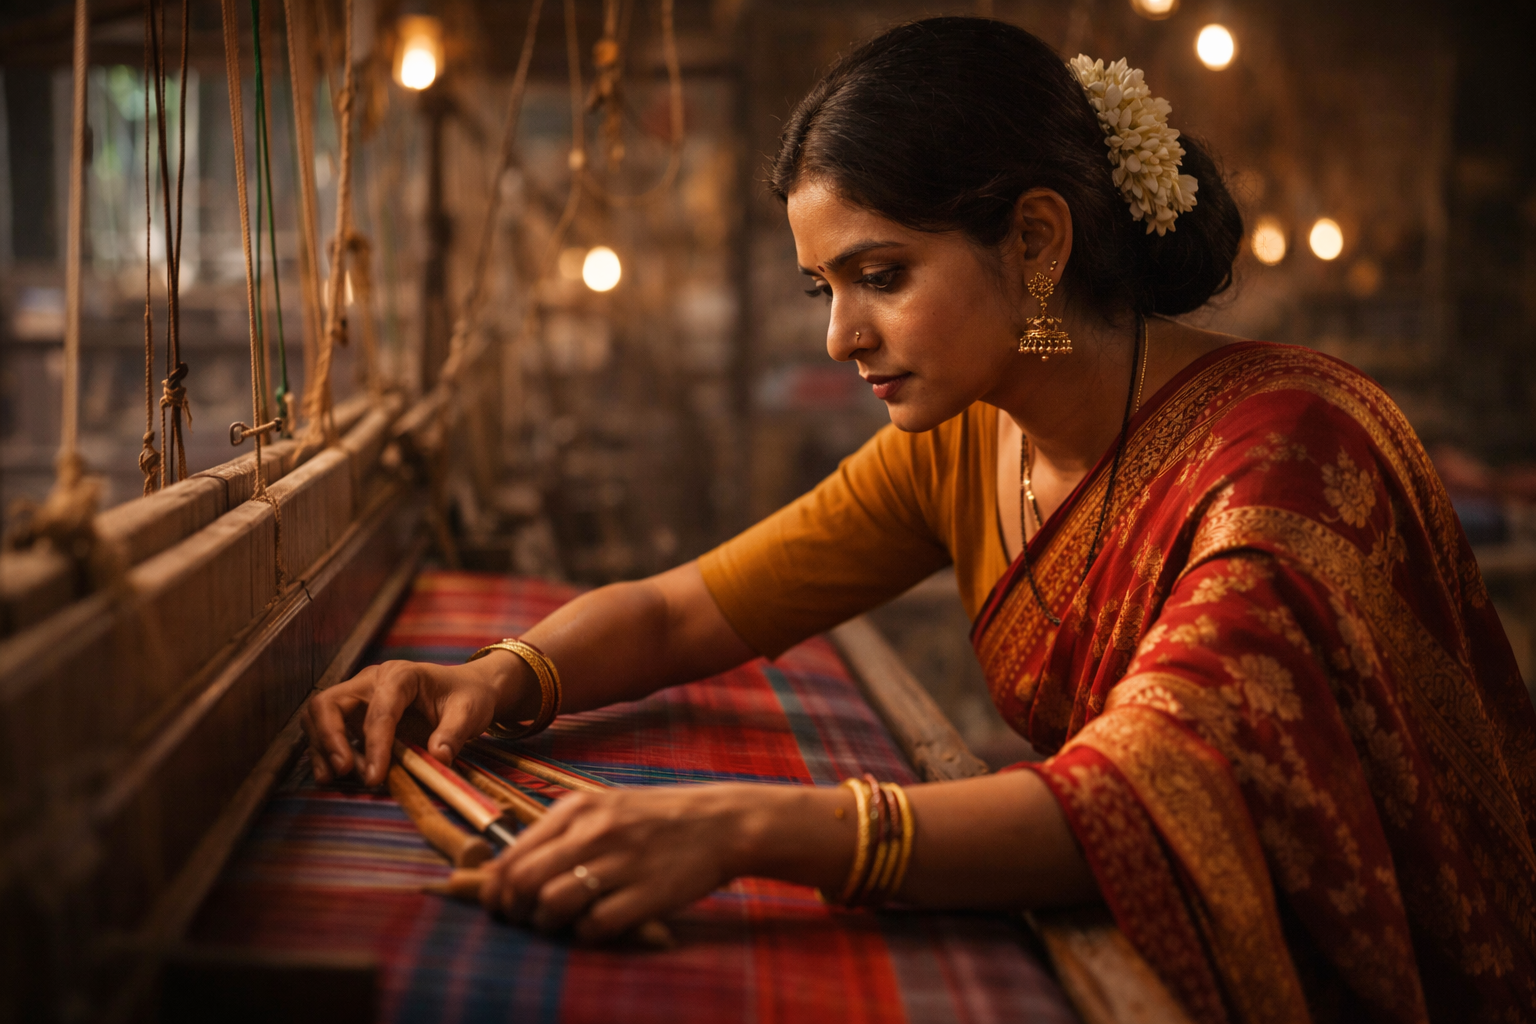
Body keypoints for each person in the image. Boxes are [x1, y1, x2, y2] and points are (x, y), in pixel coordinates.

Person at [303, 17, 1536, 1022]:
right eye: (823, 289)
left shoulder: (1287, 456)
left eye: (881, 276)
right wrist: (497, 677)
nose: (841, 337)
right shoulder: (969, 438)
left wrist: (739, 825)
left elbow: (1141, 794)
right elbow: (689, 608)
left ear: (1037, 240)